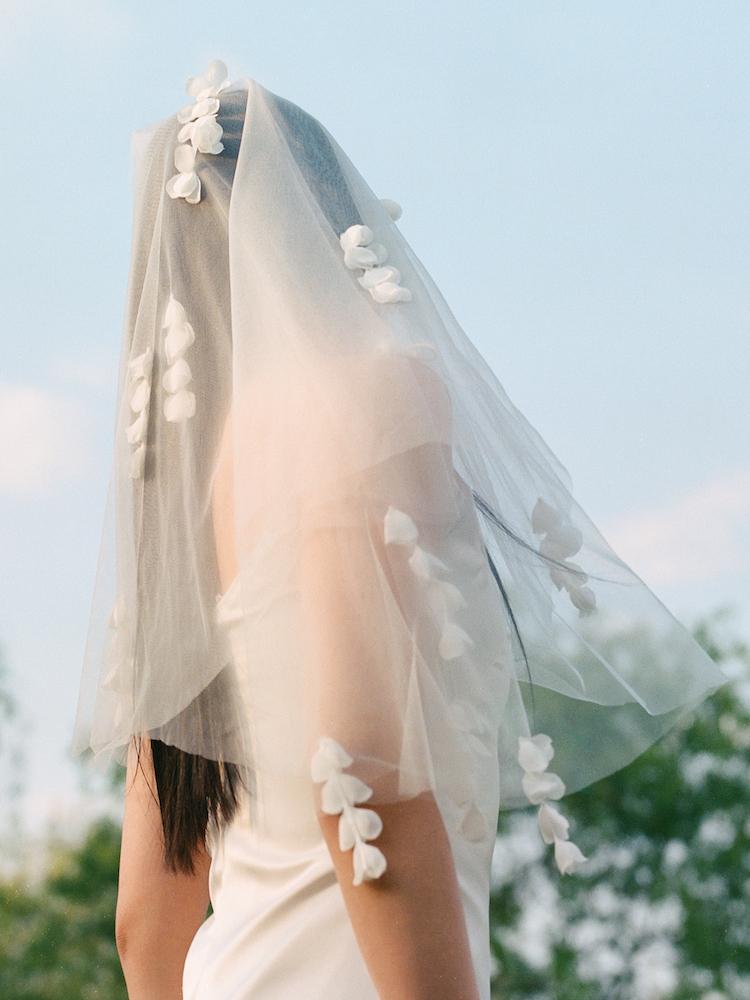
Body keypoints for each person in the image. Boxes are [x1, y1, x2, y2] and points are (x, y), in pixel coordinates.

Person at [71, 60, 730, 999]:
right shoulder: (363, 397)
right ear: (330, 221)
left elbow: (146, 923)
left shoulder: (183, 520)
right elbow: (367, 777)